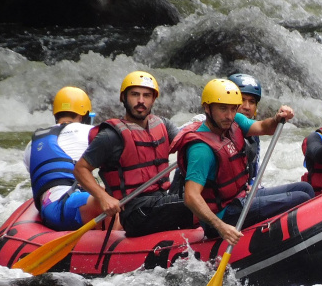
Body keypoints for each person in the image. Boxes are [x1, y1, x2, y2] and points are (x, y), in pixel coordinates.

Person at [170, 79, 314, 245]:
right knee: (300, 198)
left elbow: (264, 127)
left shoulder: (235, 121)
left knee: (305, 188)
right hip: (223, 215)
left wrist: (277, 118)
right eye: (223, 108)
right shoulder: (201, 149)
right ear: (207, 108)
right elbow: (191, 196)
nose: (229, 115)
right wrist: (221, 226)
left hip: (240, 197)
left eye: (233, 108)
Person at [74, 71, 195, 236]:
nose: (141, 101)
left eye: (146, 95)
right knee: (196, 203)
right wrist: (103, 197)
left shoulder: (163, 125)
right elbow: (80, 169)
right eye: (135, 95)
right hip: (136, 212)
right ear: (123, 98)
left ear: (153, 99)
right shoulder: (111, 136)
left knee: (189, 170)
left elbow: (190, 147)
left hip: (161, 199)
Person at [24, 86, 106, 230]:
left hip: (47, 209)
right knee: (112, 196)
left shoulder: (32, 144)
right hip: (68, 206)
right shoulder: (88, 132)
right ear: (82, 116)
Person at [227, 73, 262, 184]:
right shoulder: (218, 128)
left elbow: (254, 172)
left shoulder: (254, 134)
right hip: (230, 192)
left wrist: (252, 185)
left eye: (252, 102)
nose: (247, 107)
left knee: (304, 188)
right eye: (242, 100)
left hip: (246, 189)